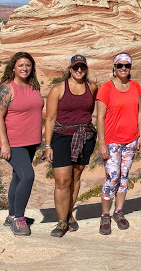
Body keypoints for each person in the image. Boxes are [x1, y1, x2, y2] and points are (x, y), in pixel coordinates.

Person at [44, 54, 98, 237]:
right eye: (76, 67)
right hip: (61, 137)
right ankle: (61, 221)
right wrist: (47, 145)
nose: (79, 70)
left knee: (75, 176)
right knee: (62, 180)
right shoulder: (58, 89)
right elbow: (50, 119)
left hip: (85, 137)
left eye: (82, 67)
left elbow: (89, 112)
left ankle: (68, 214)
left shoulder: (92, 87)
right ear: (70, 69)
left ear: (86, 69)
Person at [0, 51, 44, 237]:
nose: (24, 68)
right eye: (21, 65)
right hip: (13, 141)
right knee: (28, 175)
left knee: (18, 177)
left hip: (30, 141)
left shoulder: (33, 86)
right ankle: (19, 218)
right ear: (13, 67)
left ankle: (11, 215)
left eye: (28, 65)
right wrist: (4, 144)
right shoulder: (7, 88)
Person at [95, 52, 141, 235]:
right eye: (120, 65)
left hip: (131, 139)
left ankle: (119, 211)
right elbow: (99, 117)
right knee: (112, 178)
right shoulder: (106, 88)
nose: (123, 69)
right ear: (114, 68)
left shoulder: (136, 86)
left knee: (124, 176)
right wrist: (102, 143)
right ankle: (105, 214)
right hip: (113, 141)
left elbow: (140, 111)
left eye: (127, 66)